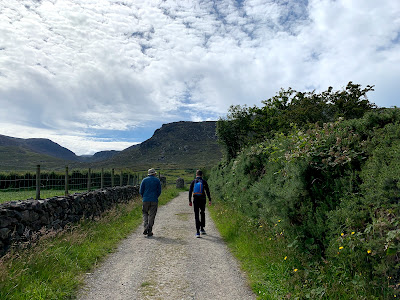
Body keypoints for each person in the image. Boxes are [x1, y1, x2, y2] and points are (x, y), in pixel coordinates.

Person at [189, 170, 211, 238]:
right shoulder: (204, 182)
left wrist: (189, 200)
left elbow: (190, 191)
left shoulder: (193, 181)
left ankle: (197, 232)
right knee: (202, 212)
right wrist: (210, 199)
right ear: (202, 175)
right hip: (202, 199)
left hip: (195, 199)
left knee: (196, 214)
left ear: (196, 174)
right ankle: (202, 229)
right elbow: (207, 191)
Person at [140, 168, 162, 237]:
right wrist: (156, 196)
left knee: (145, 213)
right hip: (154, 200)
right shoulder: (157, 180)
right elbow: (159, 191)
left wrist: (144, 197)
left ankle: (145, 226)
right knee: (152, 215)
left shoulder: (144, 180)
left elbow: (141, 191)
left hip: (145, 199)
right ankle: (149, 230)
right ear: (154, 174)